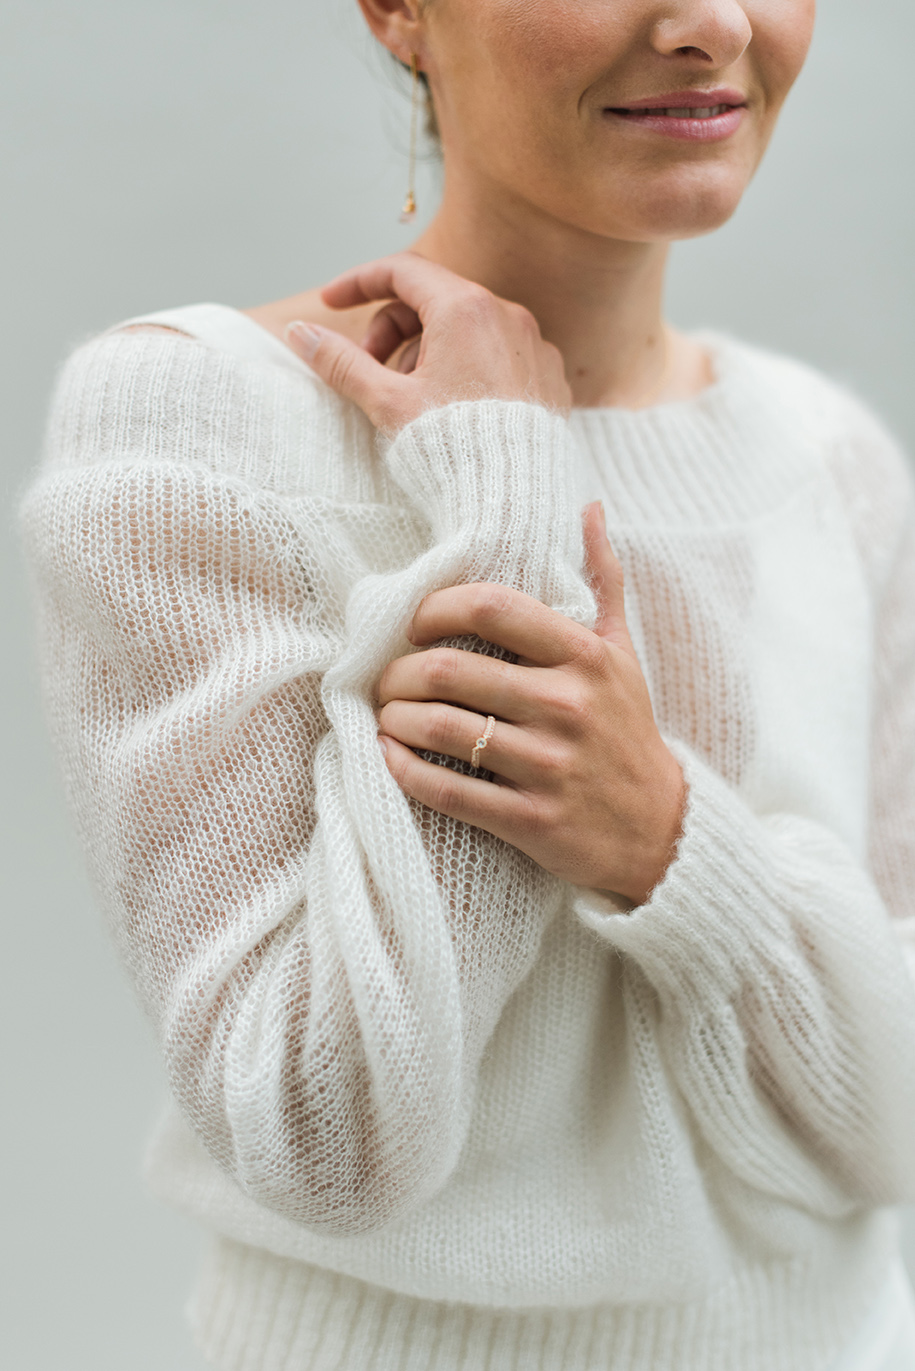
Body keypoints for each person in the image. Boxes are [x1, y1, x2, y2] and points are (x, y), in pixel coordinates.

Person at [18, 0, 915, 1367]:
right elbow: (325, 1135)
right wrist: (505, 499)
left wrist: (670, 844)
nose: (712, 25)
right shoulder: (194, 427)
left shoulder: (830, 458)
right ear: (398, 10)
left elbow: (897, 1121)